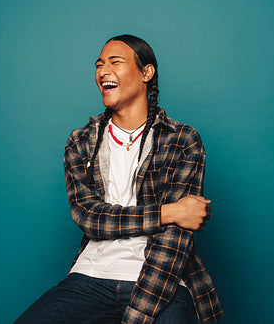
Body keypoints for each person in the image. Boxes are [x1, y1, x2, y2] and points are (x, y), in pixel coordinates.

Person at [14, 35, 223, 324]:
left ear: (146, 73)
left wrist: (137, 316)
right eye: (99, 64)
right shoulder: (82, 141)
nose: (103, 70)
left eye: (115, 62)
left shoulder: (182, 140)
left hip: (162, 276)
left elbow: (174, 239)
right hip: (91, 276)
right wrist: (169, 212)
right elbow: (91, 218)